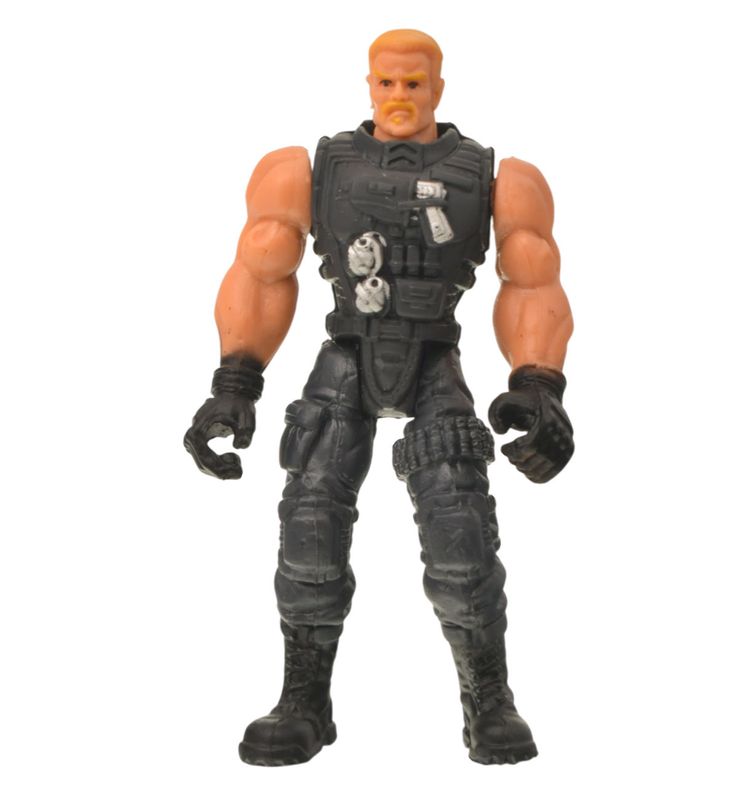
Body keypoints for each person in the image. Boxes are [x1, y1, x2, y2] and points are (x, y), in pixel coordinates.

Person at [185, 29, 574, 766]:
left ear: (438, 88)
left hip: (433, 356)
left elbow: (533, 280)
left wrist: (538, 384)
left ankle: (488, 698)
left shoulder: (496, 177)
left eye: (414, 84)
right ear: (368, 85)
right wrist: (234, 384)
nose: (400, 97)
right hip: (347, 353)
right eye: (387, 83)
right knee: (309, 527)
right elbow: (261, 272)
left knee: (461, 535)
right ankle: (304, 699)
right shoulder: (306, 170)